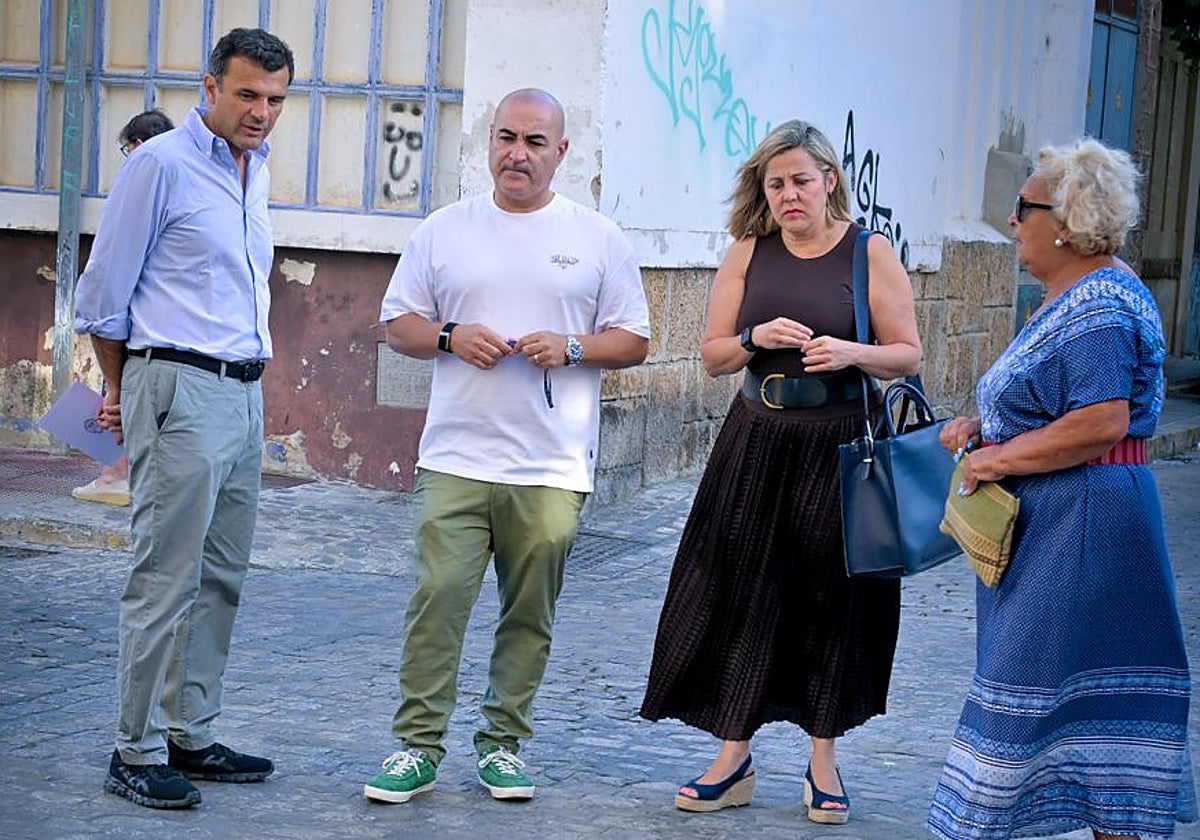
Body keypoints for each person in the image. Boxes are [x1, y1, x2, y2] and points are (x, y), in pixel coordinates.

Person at [364, 87, 650, 805]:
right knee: (439, 597)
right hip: (456, 455)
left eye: (532, 142)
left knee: (529, 611)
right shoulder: (443, 229)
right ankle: (416, 747)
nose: (515, 154)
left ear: (561, 152)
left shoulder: (597, 238)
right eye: (504, 138)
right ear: (487, 142)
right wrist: (449, 336)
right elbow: (397, 322)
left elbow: (635, 339)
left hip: (551, 463)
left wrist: (574, 346)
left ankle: (502, 745)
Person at [638, 120, 922, 824]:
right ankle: (732, 757)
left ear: (829, 179)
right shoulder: (748, 251)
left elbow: (907, 354)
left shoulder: (868, 251)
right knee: (738, 591)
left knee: (831, 600)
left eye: (801, 180)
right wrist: (752, 339)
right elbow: (711, 354)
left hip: (840, 446)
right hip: (756, 439)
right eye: (776, 184)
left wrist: (852, 354)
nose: (790, 195)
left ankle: (823, 765)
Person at [928, 139, 1196, 840]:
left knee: (1032, 688)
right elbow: (1067, 405)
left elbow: (1101, 420)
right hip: (1071, 517)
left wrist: (996, 459)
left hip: (1085, 522)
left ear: (1066, 221)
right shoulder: (1079, 295)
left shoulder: (1100, 303)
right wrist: (985, 426)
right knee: (1078, 697)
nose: (1012, 221)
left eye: (1023, 207)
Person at [73, 28, 294, 810]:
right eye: (246, 94)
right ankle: (133, 749)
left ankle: (190, 733)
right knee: (163, 576)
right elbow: (101, 299)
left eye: (273, 98)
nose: (261, 111)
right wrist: (123, 388)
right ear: (209, 87)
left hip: (242, 392)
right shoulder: (159, 166)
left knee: (222, 574)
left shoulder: (254, 173)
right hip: (177, 383)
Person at [72, 109, 175, 508]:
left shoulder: (142, 175)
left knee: (117, 394)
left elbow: (109, 271)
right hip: (157, 323)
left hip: (130, 318)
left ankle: (115, 473)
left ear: (135, 144)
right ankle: (118, 471)